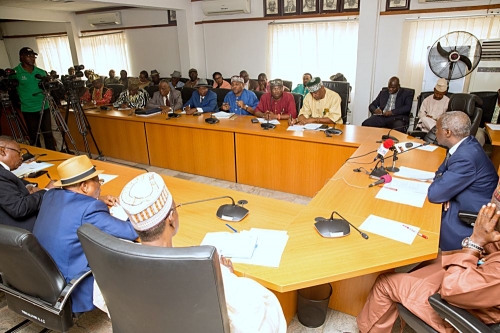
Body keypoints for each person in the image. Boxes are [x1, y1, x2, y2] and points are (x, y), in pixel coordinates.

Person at [93, 172, 287, 333]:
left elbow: (105, 302)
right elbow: (256, 318)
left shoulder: (114, 264)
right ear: (171, 218)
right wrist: (226, 274)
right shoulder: (207, 271)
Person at [357, 201, 500, 333]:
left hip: (461, 305)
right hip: (478, 277)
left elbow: (450, 289)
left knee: (385, 284)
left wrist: (474, 243)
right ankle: (403, 300)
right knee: (433, 259)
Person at [33, 155, 138, 313]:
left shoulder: (50, 195)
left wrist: (98, 200)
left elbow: (74, 208)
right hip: (70, 287)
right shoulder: (89, 209)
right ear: (84, 186)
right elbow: (130, 231)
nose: (100, 187)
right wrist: (132, 210)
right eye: (98, 181)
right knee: (130, 251)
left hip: (40, 276)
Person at [428, 111, 498, 251]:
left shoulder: (465, 156)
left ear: (448, 132)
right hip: (467, 196)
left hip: (471, 213)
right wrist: (446, 189)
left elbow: (434, 194)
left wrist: (446, 191)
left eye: (437, 129)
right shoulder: (465, 143)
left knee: (424, 219)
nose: (435, 132)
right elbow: (440, 171)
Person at [0, 137, 53, 232]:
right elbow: (19, 208)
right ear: (2, 151)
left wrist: (29, 186)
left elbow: (14, 180)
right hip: (22, 230)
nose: (21, 157)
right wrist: (46, 190)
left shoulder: (4, 172)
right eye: (18, 152)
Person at [10, 47, 56, 151]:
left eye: (33, 56)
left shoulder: (41, 72)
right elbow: (10, 88)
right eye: (28, 56)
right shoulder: (15, 73)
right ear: (21, 57)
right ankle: (39, 157)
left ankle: (53, 153)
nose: (32, 58)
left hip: (44, 106)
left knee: (48, 134)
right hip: (28, 108)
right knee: (34, 136)